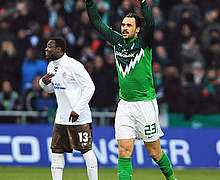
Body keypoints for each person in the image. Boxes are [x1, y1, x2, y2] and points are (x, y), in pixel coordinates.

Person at [84, 0, 177, 179]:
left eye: (129, 25)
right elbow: (96, 22)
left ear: (137, 30)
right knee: (124, 152)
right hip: (125, 105)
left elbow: (151, 22)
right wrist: (90, 3)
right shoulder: (117, 41)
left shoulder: (144, 41)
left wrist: (143, 3)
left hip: (145, 104)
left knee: (155, 153)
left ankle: (172, 178)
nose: (124, 28)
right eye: (123, 25)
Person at [39, 37, 98, 180]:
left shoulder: (74, 65)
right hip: (62, 116)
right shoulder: (51, 66)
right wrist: (43, 83)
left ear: (58, 50)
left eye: (49, 46)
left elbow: (90, 87)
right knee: (56, 150)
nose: (46, 49)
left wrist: (77, 109)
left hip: (79, 116)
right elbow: (52, 89)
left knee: (86, 150)